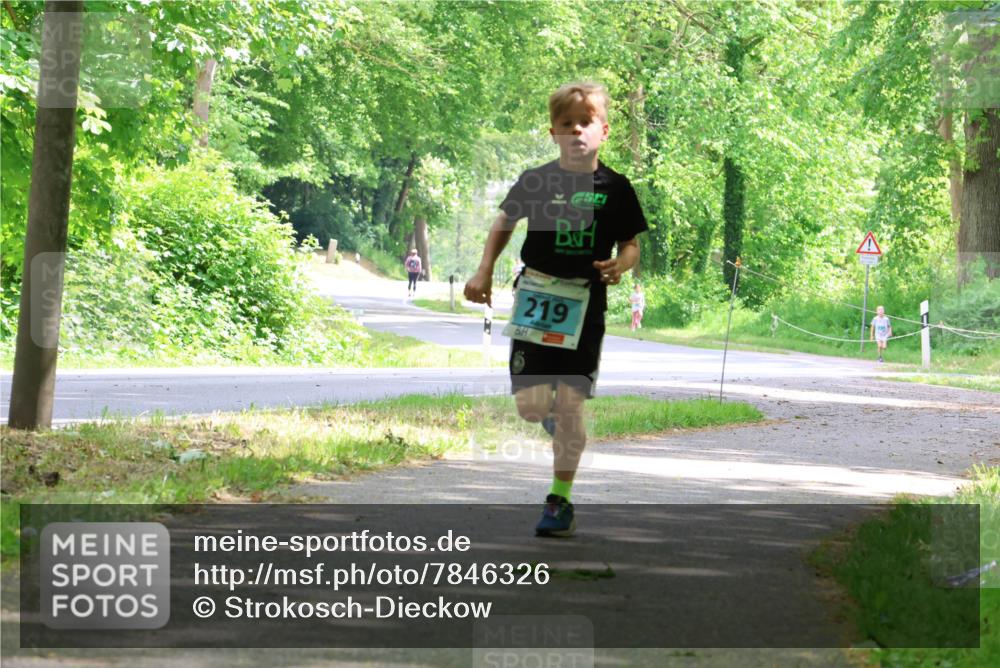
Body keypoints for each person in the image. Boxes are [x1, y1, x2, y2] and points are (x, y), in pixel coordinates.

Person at [464, 82, 648, 537]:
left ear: (603, 131)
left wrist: (619, 267)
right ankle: (554, 418)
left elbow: (631, 245)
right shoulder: (536, 181)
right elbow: (505, 221)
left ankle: (558, 499)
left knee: (569, 408)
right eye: (566, 124)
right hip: (536, 298)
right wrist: (483, 271)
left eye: (585, 123)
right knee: (530, 408)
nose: (576, 131)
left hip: (585, 303)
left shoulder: (615, 188)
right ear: (553, 133)